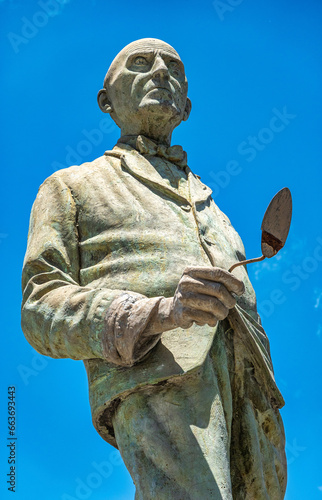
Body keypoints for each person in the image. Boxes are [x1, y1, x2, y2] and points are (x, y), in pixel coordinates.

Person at [21, 38, 287, 499]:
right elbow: (40, 306)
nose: (160, 72)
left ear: (186, 105)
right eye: (140, 64)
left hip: (252, 397)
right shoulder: (71, 186)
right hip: (157, 371)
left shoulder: (214, 207)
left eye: (173, 68)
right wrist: (153, 313)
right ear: (106, 101)